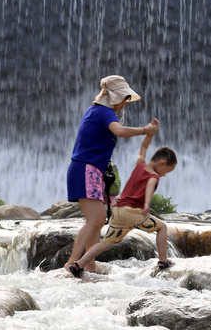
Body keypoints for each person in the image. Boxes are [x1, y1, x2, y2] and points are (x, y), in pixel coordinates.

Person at [64, 75, 160, 274]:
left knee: (97, 220)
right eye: (124, 98)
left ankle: (88, 263)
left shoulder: (95, 111)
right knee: (96, 220)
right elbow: (118, 130)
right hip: (86, 169)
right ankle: (72, 263)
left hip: (89, 170)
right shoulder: (104, 112)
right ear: (113, 97)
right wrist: (144, 130)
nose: (125, 103)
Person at [67, 132, 178, 278]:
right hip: (132, 212)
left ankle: (78, 265)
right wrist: (146, 203)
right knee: (162, 227)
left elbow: (143, 147)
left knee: (106, 243)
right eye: (166, 171)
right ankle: (163, 261)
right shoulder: (154, 176)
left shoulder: (140, 164)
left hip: (118, 211)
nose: (164, 175)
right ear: (162, 163)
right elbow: (150, 186)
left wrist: (150, 134)